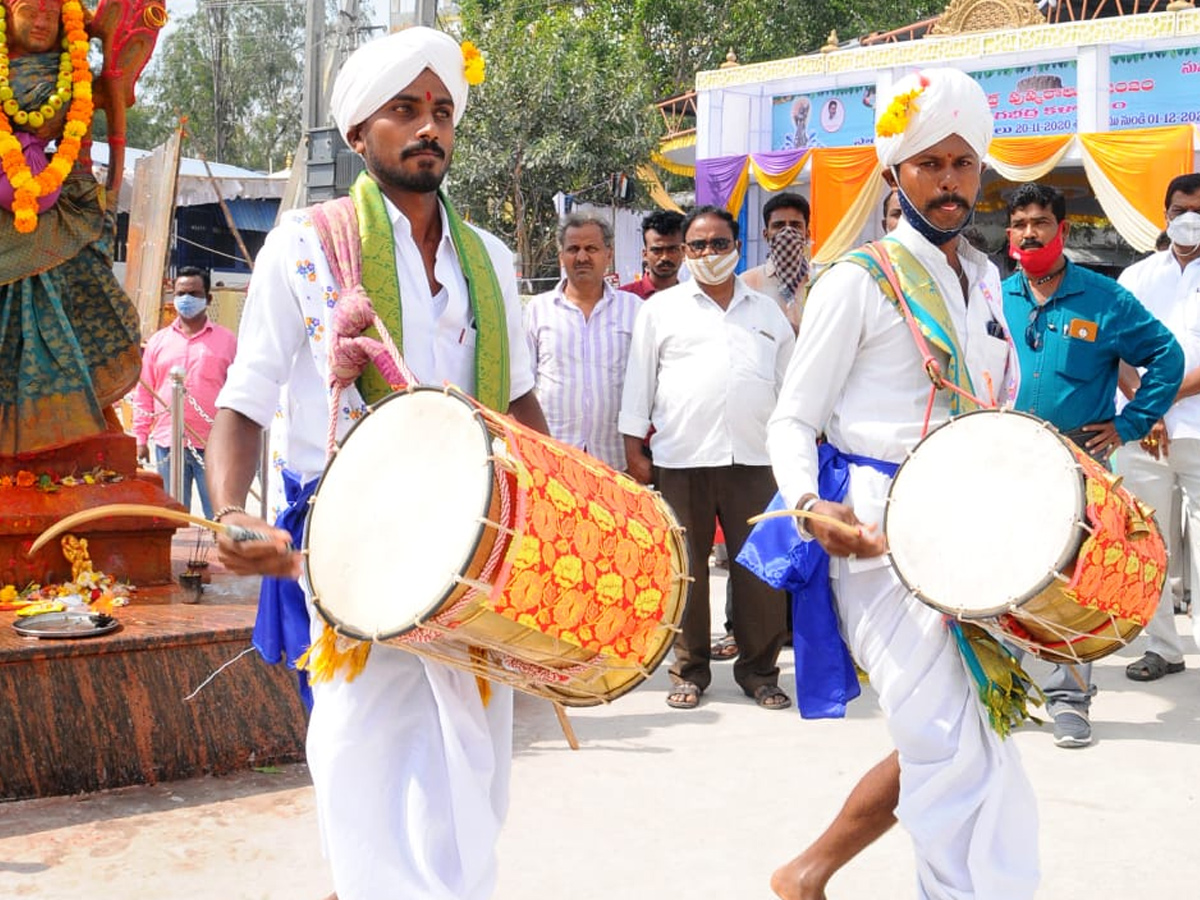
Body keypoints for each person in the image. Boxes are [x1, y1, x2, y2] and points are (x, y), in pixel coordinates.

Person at [205, 27, 547, 900]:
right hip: (355, 542)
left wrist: (566, 507)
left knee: (475, 769)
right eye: (404, 110)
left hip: (475, 544)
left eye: (440, 112)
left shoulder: (493, 260)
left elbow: (515, 409)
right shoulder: (305, 248)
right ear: (359, 133)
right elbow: (244, 405)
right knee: (358, 750)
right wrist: (232, 512)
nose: (427, 127)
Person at [766, 68, 1035, 900]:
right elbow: (791, 419)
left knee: (974, 740)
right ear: (895, 176)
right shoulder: (858, 281)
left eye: (963, 162)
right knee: (946, 741)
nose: (949, 180)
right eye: (929, 163)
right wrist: (810, 509)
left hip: (975, 532)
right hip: (883, 533)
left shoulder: (987, 283)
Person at [1002, 181, 1182, 748]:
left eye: (1041, 222)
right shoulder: (991, 294)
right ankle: (995, 688)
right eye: (1020, 222)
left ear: (1064, 230)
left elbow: (1167, 357)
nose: (1030, 232)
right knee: (996, 572)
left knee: (1074, 586)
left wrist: (1130, 424)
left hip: (1080, 463)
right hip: (1002, 459)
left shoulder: (1105, 298)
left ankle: (1069, 698)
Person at [620, 205, 795, 711]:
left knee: (760, 573)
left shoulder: (767, 314)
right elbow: (639, 384)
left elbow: (790, 392)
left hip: (757, 460)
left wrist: (793, 455)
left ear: (738, 247)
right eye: (697, 246)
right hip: (682, 459)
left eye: (719, 243)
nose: (708, 254)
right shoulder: (660, 311)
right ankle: (690, 669)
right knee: (688, 570)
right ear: (684, 252)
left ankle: (760, 672)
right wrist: (635, 450)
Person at [0, 0, 142, 455]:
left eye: (51, 13)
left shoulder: (73, 73)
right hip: (6, 202)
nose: (42, 22)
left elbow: (92, 138)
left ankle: (79, 417)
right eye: (31, 12)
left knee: (88, 296)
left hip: (63, 204)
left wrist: (109, 192)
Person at [1114, 172, 1200, 677]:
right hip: (1144, 432)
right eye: (1181, 209)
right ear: (1164, 213)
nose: (1190, 219)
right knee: (1149, 542)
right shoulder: (1136, 278)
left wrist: (1156, 402)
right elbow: (1116, 352)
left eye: (1199, 210)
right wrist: (1146, 411)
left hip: (1192, 427)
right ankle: (1163, 647)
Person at [525, 214, 640, 470]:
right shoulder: (538, 310)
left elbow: (646, 385)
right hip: (553, 456)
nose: (582, 257)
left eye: (592, 249)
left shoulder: (634, 310)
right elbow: (522, 383)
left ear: (608, 255)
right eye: (573, 249)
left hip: (616, 458)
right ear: (561, 256)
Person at [131, 267, 236, 518]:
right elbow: (144, 392)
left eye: (194, 293)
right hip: (168, 445)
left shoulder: (228, 341)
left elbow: (237, 393)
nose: (186, 299)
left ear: (208, 299)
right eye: (181, 293)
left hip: (214, 445)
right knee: (171, 520)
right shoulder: (158, 342)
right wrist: (140, 438)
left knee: (220, 518)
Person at [742, 191, 811, 331]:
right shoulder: (746, 283)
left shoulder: (820, 282)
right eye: (779, 225)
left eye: (795, 225)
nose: (787, 232)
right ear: (766, 235)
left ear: (807, 234)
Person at [620, 210, 684, 299]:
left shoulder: (695, 301)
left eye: (672, 250)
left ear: (684, 252)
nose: (664, 257)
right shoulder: (623, 299)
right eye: (657, 250)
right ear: (645, 254)